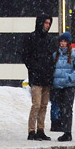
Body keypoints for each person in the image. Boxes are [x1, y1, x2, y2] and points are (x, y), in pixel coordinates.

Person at [21, 13, 58, 141]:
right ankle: (32, 130)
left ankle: (40, 129)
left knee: (43, 105)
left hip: (47, 76)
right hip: (36, 76)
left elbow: (53, 56)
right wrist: (33, 67)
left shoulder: (50, 39)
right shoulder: (32, 38)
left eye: (49, 23)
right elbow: (25, 55)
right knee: (36, 104)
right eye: (46, 23)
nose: (48, 25)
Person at [51, 33, 75, 142]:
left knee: (67, 109)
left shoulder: (74, 55)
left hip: (68, 86)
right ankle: (63, 129)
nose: (62, 44)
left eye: (65, 41)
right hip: (58, 86)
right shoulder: (55, 55)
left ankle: (67, 132)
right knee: (61, 108)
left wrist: (71, 78)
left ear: (69, 43)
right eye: (61, 41)